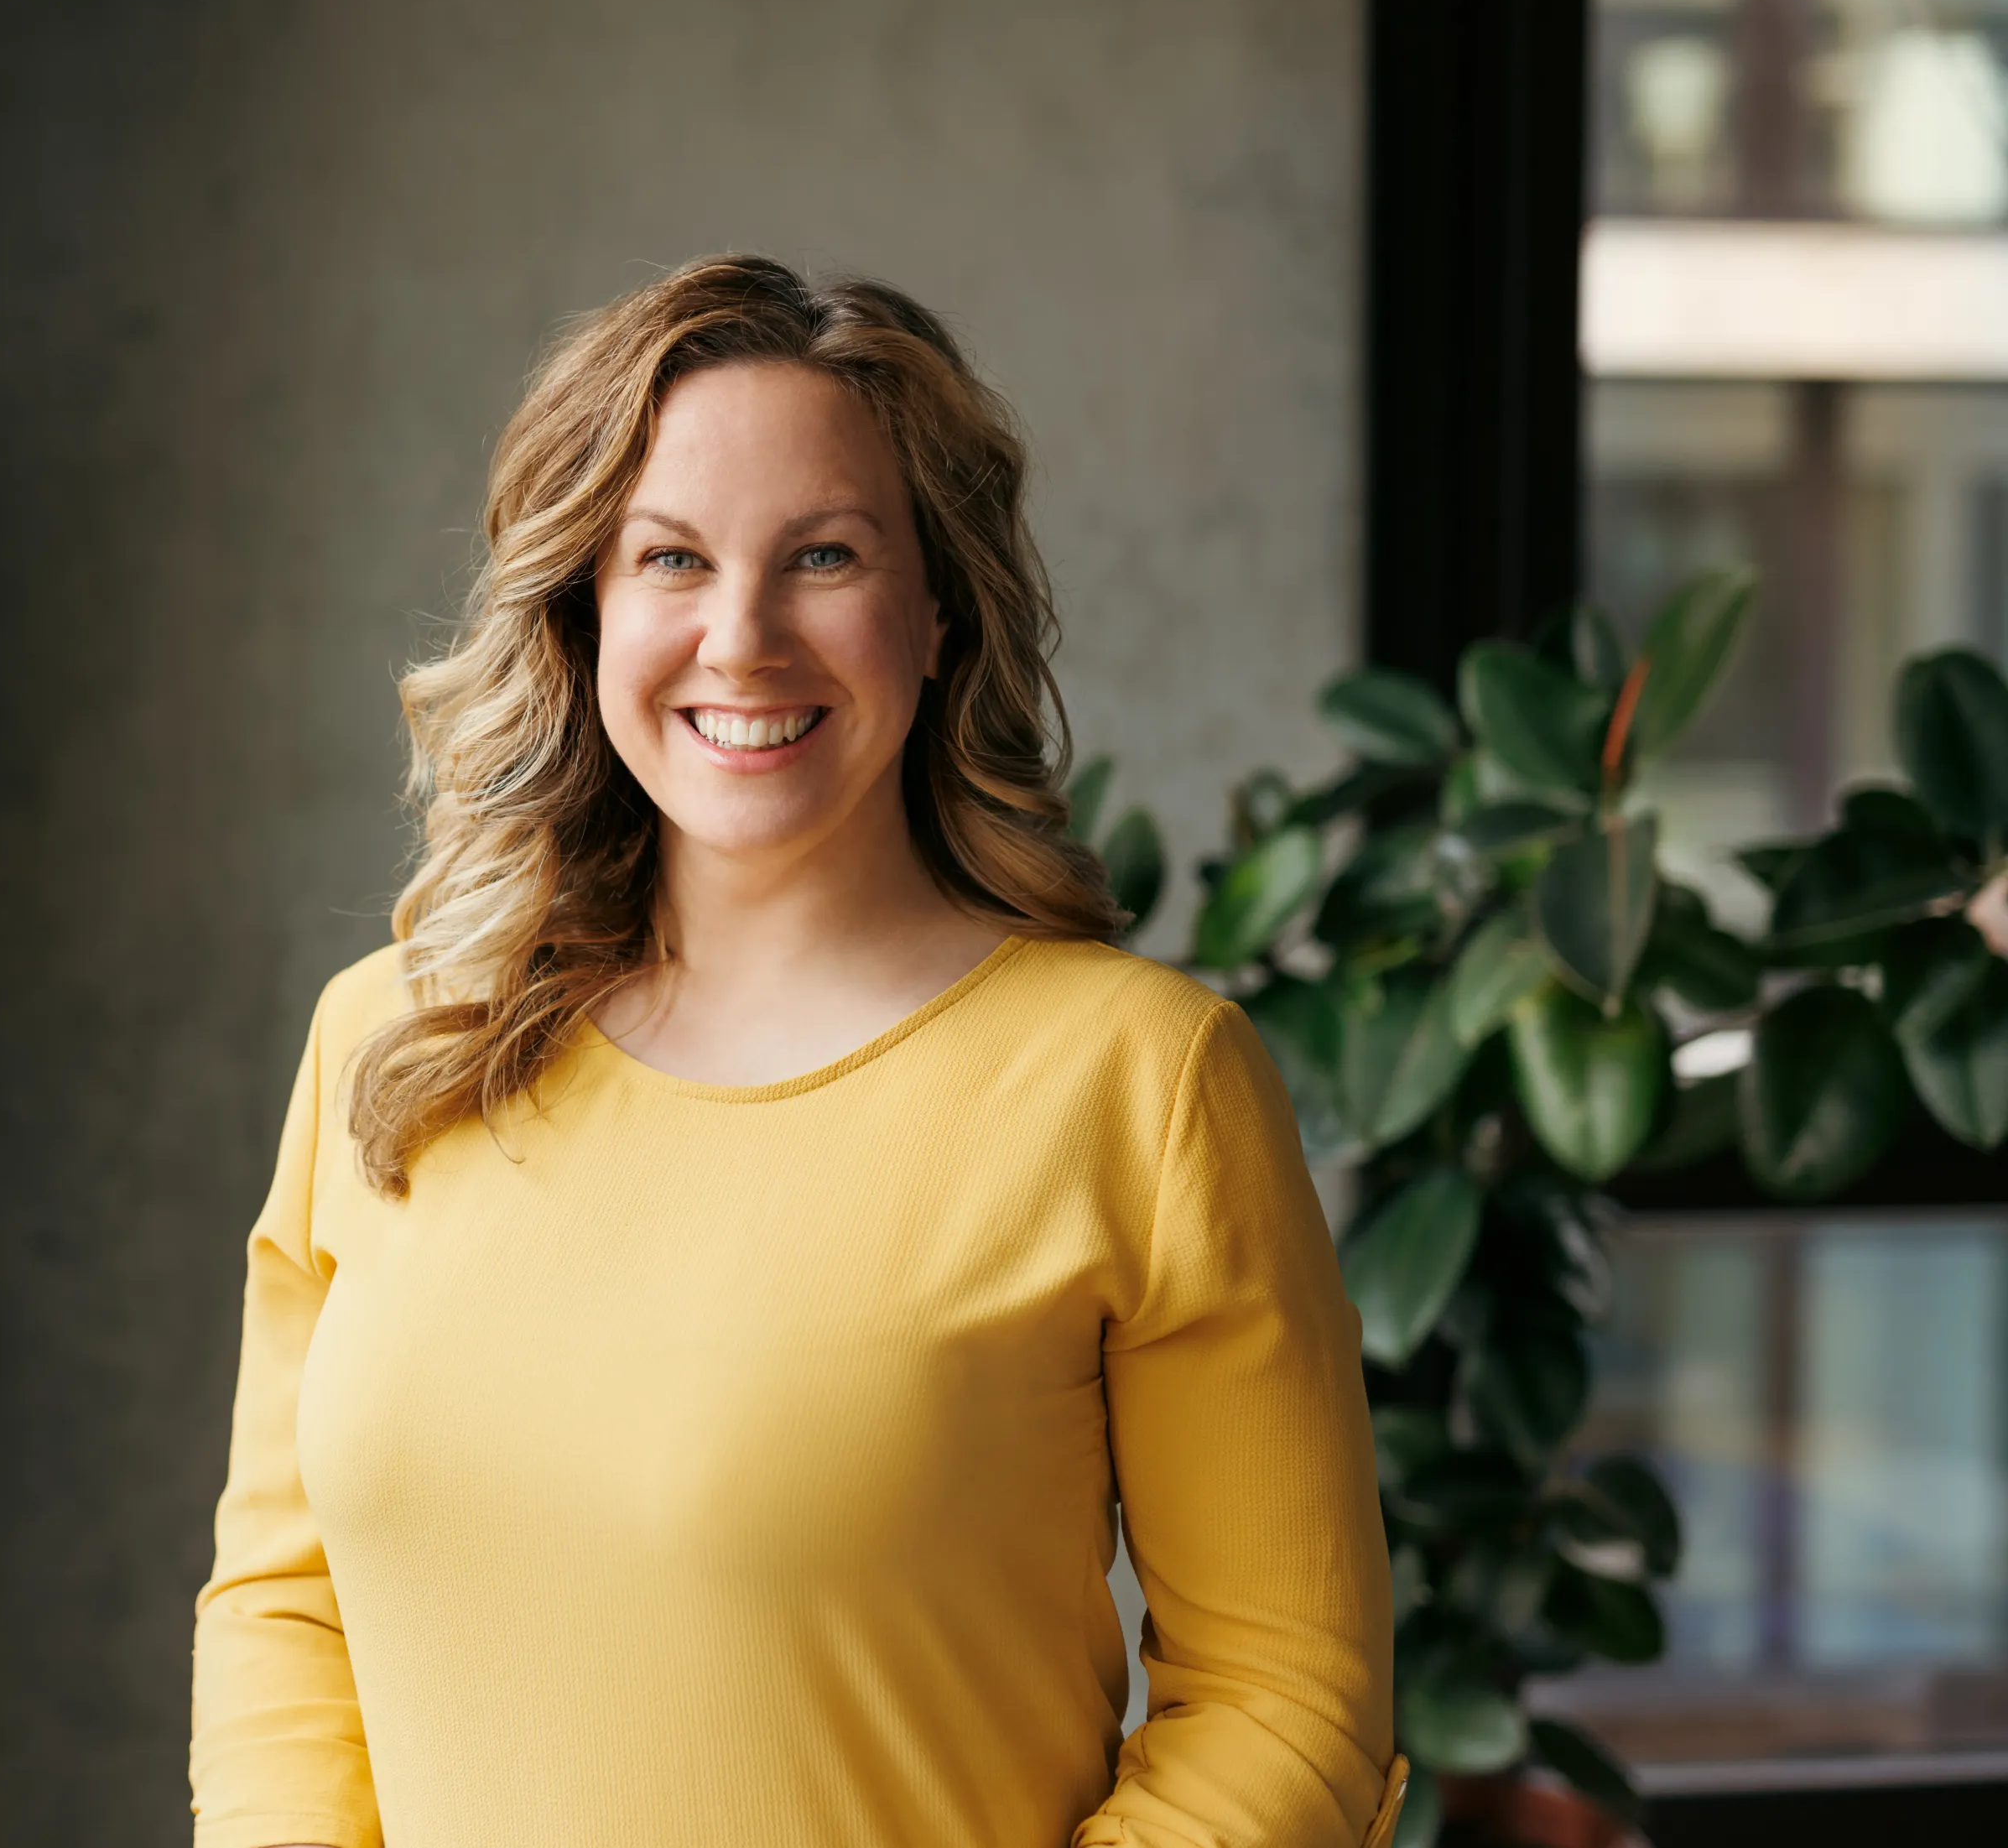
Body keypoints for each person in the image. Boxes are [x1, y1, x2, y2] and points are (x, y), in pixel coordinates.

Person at [190, 254, 1405, 1848]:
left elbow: (1286, 1697)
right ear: (583, 610)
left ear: (938, 613)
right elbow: (283, 1614)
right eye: (671, 559)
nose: (742, 637)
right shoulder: (394, 1040)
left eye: (823, 555)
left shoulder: (1140, 1088)